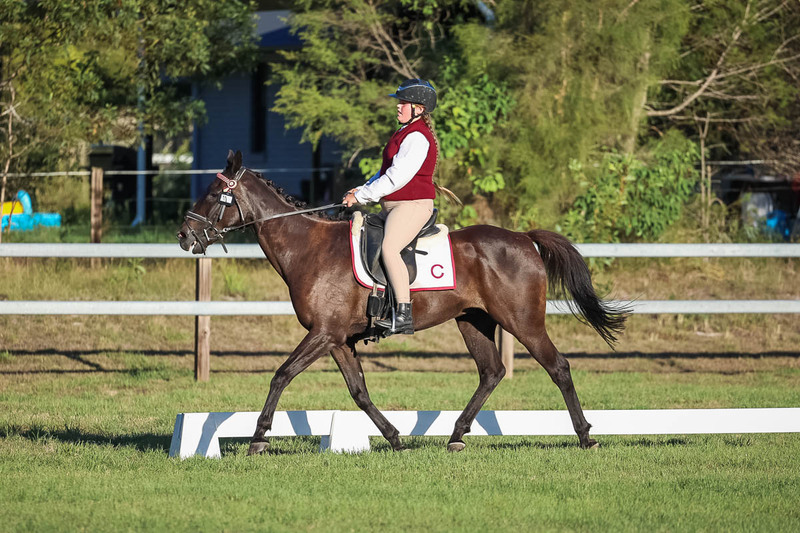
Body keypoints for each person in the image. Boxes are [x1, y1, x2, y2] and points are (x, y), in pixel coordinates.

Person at [343, 78, 440, 335]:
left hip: (413, 206)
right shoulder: (403, 132)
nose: (398, 107)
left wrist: (363, 197)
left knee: (389, 248)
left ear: (419, 108)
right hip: (394, 206)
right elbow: (384, 172)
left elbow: (397, 178)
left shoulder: (418, 138)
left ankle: (403, 314)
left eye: (403, 103)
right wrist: (360, 189)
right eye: (399, 102)